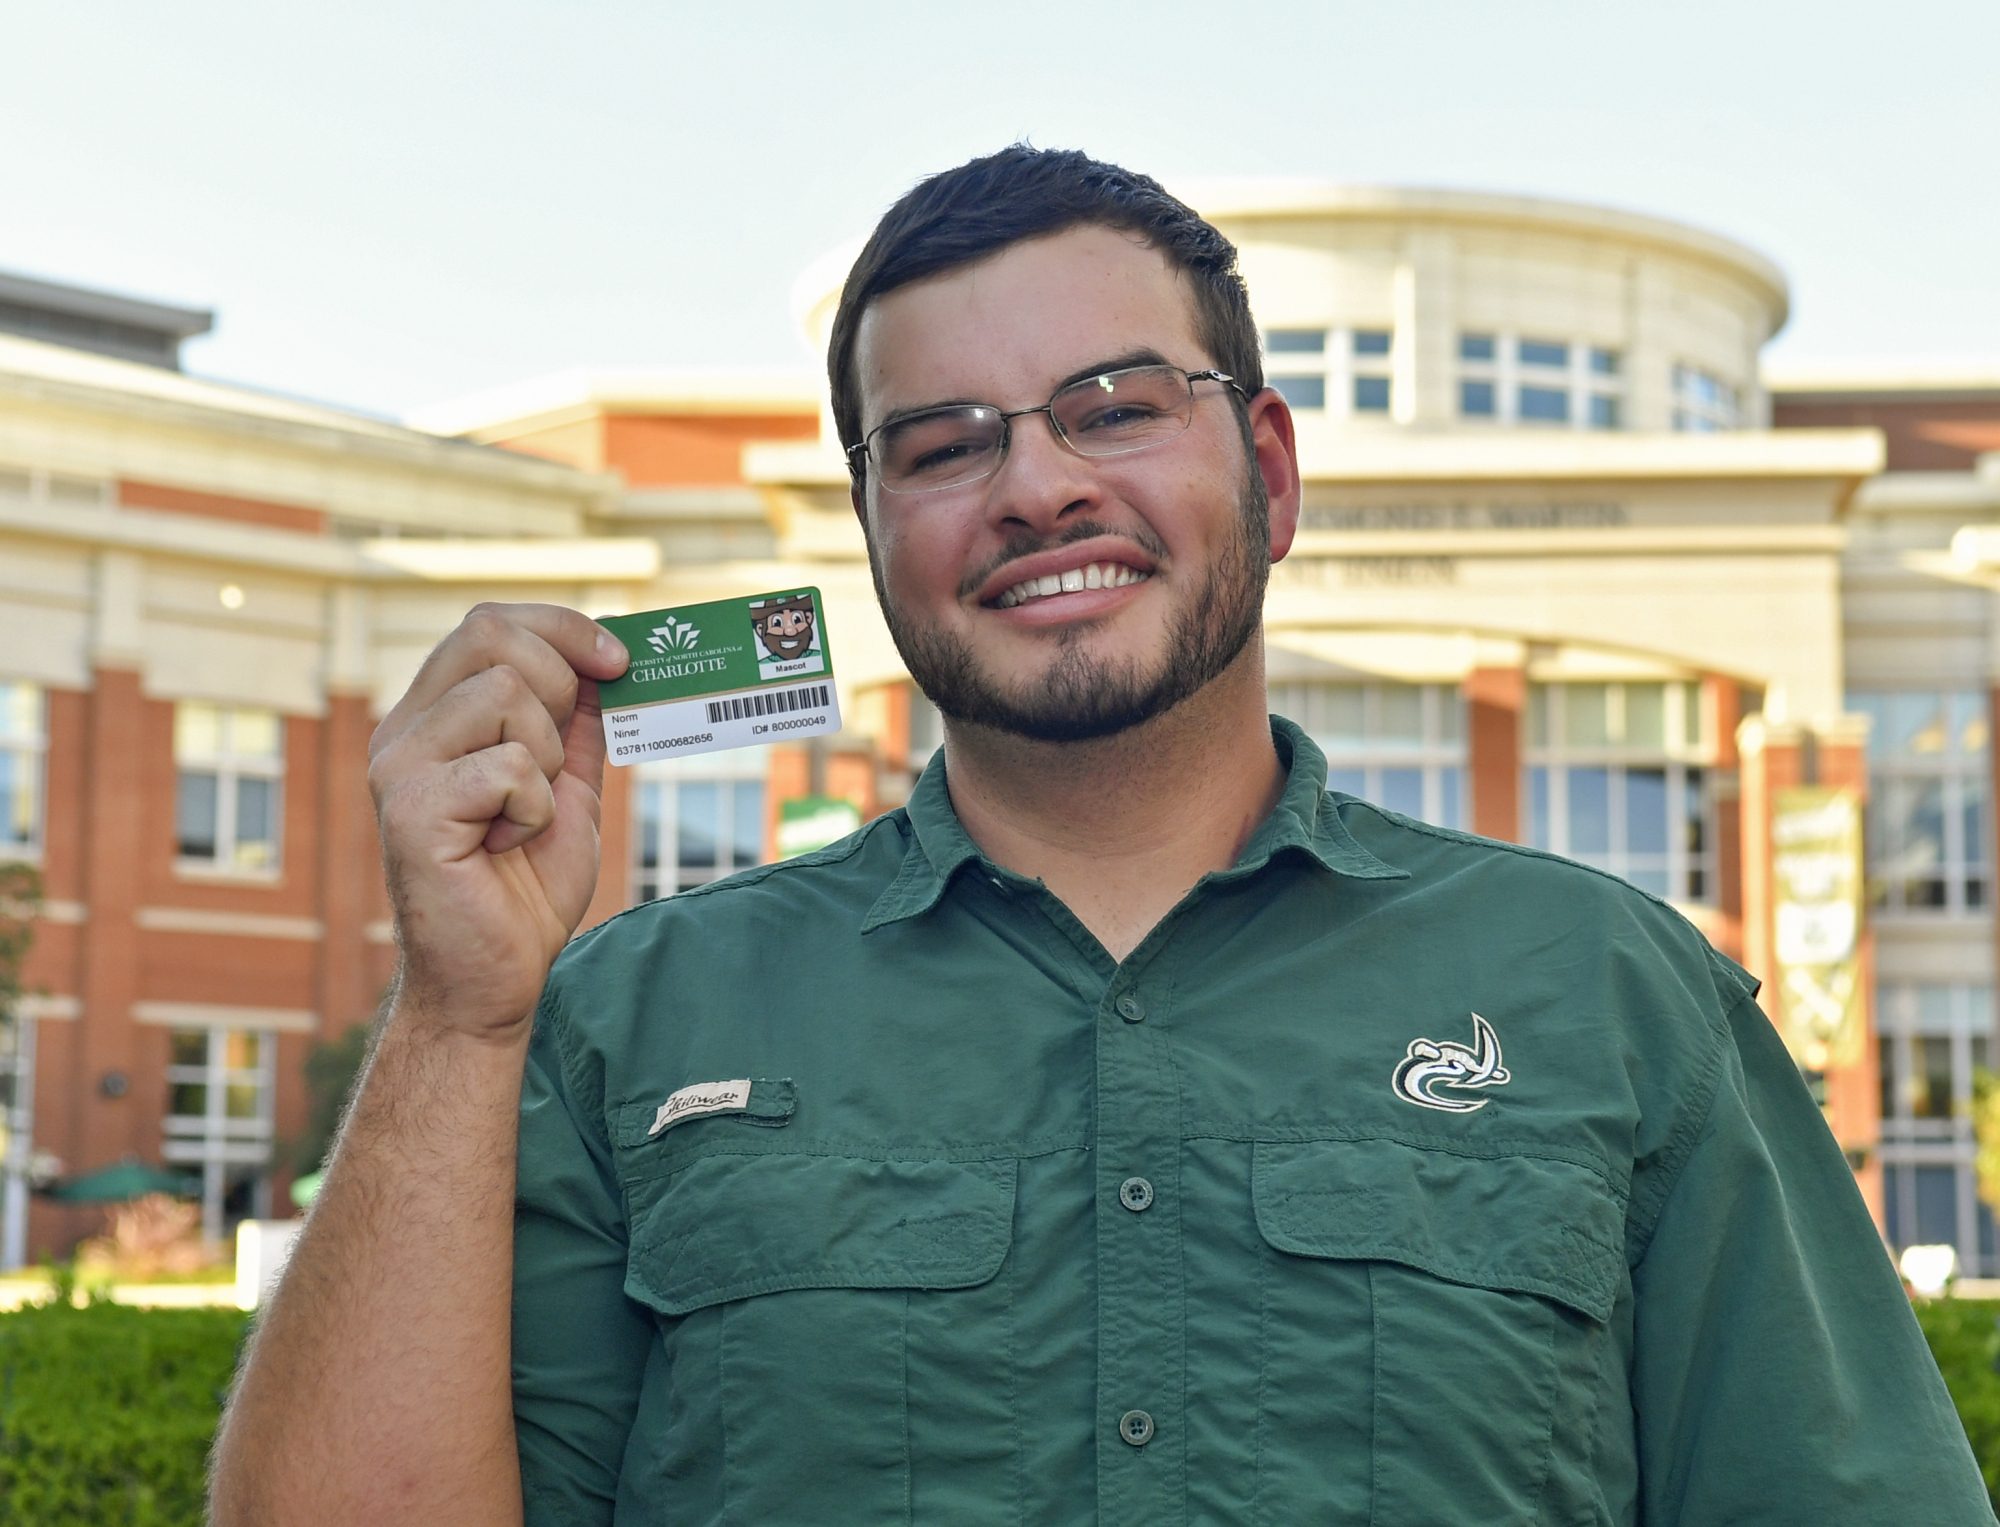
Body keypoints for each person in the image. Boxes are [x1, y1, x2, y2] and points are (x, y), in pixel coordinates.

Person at [210, 146, 1993, 1525]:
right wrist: (458, 1016)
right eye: (942, 443)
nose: (1038, 484)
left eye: (1116, 408)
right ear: (878, 530)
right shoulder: (619, 1024)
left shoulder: (1619, 997)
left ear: (1272, 476)